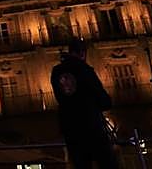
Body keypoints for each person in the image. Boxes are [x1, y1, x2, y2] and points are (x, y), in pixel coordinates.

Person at [50, 39, 116, 169]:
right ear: (82, 53)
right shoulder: (84, 69)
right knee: (107, 162)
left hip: (69, 127)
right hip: (90, 124)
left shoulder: (56, 72)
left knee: (81, 164)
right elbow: (102, 99)